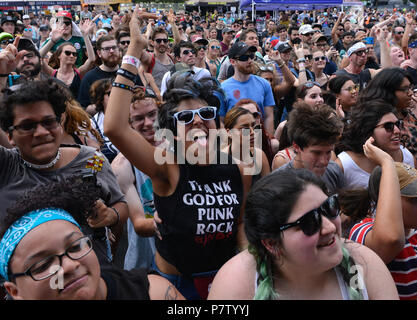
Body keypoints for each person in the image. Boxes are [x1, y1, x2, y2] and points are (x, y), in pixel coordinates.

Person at [103, 6, 252, 300]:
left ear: (218, 121)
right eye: (185, 118)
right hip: (176, 283)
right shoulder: (166, 167)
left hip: (226, 279)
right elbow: (115, 128)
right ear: (173, 132)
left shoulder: (238, 167)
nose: (197, 120)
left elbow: (240, 224)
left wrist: (251, 265)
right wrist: (134, 49)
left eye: (205, 113)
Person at [207, 169, 399, 300]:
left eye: (330, 207)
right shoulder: (237, 283)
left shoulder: (365, 265)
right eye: (309, 222)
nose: (330, 228)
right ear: (271, 244)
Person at [0, 79, 128, 268]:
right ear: (9, 136)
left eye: (49, 122)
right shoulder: (6, 166)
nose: (41, 132)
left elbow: (120, 204)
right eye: (27, 126)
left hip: (91, 280)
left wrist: (110, 215)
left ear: (61, 121)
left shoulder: (91, 160)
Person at [0, 175, 185, 300]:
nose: (69, 266)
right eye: (43, 265)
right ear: (14, 291)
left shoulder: (152, 293)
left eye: (75, 247)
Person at [342, 140, 417, 300]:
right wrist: (387, 162)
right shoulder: (362, 230)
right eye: (414, 199)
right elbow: (391, 239)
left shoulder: (414, 231)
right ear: (389, 199)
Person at [111, 89, 161, 271]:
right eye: (139, 118)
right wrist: (177, 221)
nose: (148, 123)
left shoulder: (180, 149)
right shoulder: (122, 166)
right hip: (146, 263)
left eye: (152, 114)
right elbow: (139, 223)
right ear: (129, 123)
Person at [336, 100, 415, 190]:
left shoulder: (405, 155)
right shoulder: (345, 165)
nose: (397, 131)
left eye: (398, 124)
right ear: (368, 130)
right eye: (388, 126)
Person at [274, 103, 344, 195]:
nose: (324, 161)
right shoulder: (278, 182)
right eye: (317, 153)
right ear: (296, 146)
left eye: (328, 152)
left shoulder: (334, 171)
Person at [220, 41, 276, 136]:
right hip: (235, 140)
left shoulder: (264, 84)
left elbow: (268, 116)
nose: (250, 61)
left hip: (258, 138)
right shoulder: (223, 88)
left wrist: (269, 141)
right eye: (244, 57)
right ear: (233, 62)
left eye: (251, 56)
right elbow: (221, 121)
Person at [77, 35, 144, 109]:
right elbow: (83, 107)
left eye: (114, 48)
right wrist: (103, 106)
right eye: (107, 49)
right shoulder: (89, 77)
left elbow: (142, 95)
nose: (111, 51)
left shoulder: (129, 72)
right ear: (99, 53)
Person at [40, 19, 95, 99]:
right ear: (59, 55)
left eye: (75, 54)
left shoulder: (79, 73)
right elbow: (39, 58)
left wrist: (85, 36)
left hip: (76, 110)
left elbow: (91, 60)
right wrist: (52, 41)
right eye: (67, 53)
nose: (72, 56)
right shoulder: (52, 73)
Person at [223, 107, 271, 186]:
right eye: (245, 128)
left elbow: (268, 189)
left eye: (253, 126)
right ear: (229, 133)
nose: (252, 132)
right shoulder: (221, 159)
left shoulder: (259, 155)